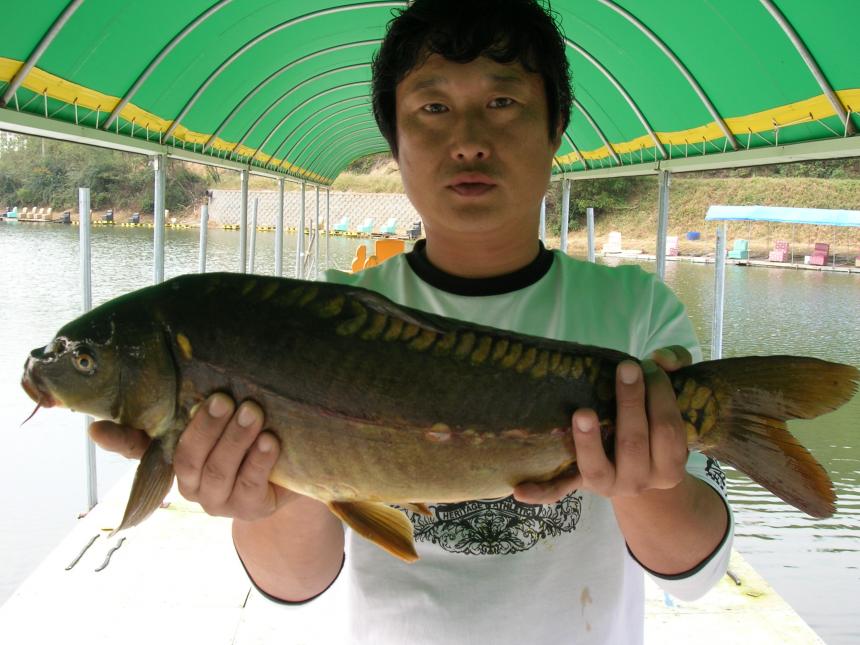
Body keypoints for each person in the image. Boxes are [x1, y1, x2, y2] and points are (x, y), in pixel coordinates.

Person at [91, 1, 732, 642]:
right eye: (433, 108)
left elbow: (693, 574)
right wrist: (270, 497)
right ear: (394, 141)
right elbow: (293, 585)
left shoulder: (638, 317)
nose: (469, 140)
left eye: (502, 102)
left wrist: (646, 476)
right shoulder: (317, 328)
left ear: (555, 126)